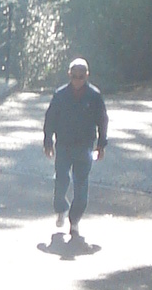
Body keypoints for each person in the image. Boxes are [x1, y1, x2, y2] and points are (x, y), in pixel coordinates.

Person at [43, 57, 108, 241]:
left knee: (81, 184)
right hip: (63, 144)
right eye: (74, 76)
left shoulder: (94, 96)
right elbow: (50, 118)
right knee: (61, 180)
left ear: (87, 75)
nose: (77, 80)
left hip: (84, 146)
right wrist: (48, 142)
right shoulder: (60, 95)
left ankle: (75, 220)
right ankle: (61, 208)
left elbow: (102, 120)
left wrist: (101, 144)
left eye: (81, 76)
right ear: (69, 75)